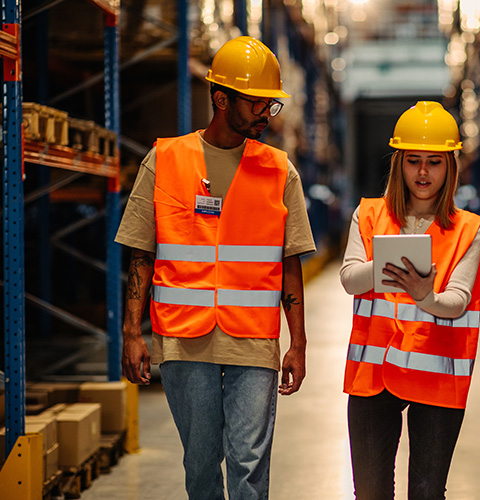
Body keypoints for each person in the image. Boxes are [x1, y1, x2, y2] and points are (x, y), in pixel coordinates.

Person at [116, 36, 315, 500]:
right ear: (221, 100)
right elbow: (142, 252)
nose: (267, 115)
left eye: (271, 105)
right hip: (185, 342)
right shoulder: (164, 160)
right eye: (257, 104)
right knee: (201, 465)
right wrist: (131, 333)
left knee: (248, 464)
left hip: (252, 341)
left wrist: (298, 342)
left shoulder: (280, 170)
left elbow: (290, 264)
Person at [340, 101, 480, 500]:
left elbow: (457, 301)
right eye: (413, 161)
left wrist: (425, 295)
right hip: (373, 376)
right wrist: (383, 265)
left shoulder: (469, 229)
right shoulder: (369, 215)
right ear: (399, 164)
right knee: (370, 493)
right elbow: (349, 280)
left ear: (450, 167)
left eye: (435, 162)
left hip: (437, 373)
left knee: (426, 493)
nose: (423, 172)